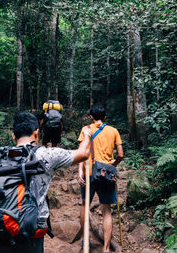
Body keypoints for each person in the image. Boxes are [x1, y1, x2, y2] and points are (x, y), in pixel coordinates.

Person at [0, 112, 92, 253]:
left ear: (13, 135)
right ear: (36, 133)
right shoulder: (47, 154)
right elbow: (84, 153)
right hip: (31, 229)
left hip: (0, 226)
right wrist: (86, 134)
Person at [77, 105, 124, 253]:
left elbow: (81, 152)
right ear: (104, 117)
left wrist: (80, 171)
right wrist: (113, 165)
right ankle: (106, 249)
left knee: (85, 206)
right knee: (106, 210)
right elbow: (121, 155)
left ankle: (86, 240)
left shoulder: (86, 129)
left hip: (89, 172)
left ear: (91, 117)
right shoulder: (113, 131)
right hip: (106, 173)